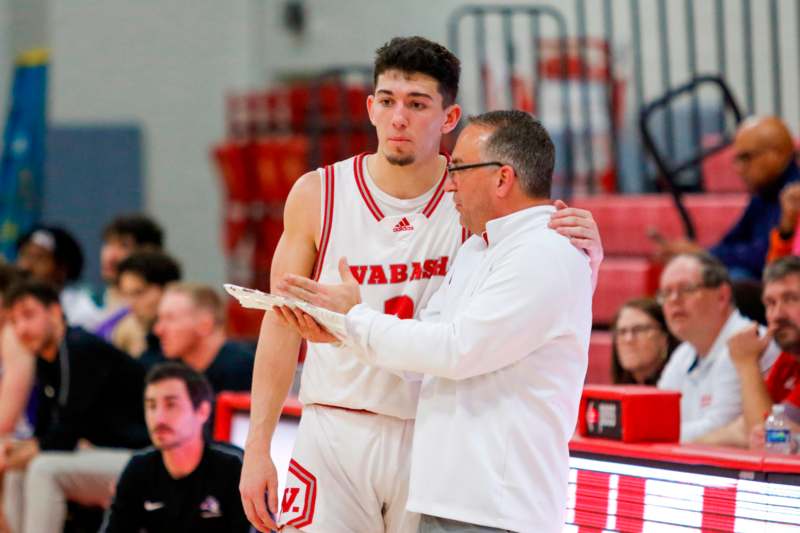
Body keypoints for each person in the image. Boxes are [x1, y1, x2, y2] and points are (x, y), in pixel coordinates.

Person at [238, 36, 604, 533]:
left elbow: (537, 278)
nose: (399, 118)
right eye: (387, 102)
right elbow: (281, 325)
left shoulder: (474, 203)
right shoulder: (318, 194)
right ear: (369, 108)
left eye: (417, 104)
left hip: (430, 439)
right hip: (337, 425)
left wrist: (588, 252)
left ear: (448, 118)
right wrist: (258, 447)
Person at [0, 280, 150, 533]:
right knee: (18, 471)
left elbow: (65, 433)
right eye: (14, 321)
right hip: (107, 454)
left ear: (55, 311)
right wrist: (13, 453)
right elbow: (46, 431)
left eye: (28, 315)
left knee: (42, 468)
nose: (22, 328)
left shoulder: (79, 347)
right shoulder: (48, 359)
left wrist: (12, 455)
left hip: (143, 455)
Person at [100, 362, 252, 532]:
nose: (158, 418)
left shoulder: (232, 469)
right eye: (151, 406)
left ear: (202, 411)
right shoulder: (138, 469)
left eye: (171, 405)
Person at [653, 116, 800, 280]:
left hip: (780, 286)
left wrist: (702, 254)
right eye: (736, 160)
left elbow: (764, 258)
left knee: (734, 279)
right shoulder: (763, 194)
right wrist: (698, 253)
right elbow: (731, 241)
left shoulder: (793, 195)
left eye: (745, 157)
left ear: (776, 154)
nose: (738, 168)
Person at [656, 252, 780, 442]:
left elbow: (720, 431)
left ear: (722, 296)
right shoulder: (683, 353)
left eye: (686, 289)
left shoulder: (749, 342)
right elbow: (655, 415)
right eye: (666, 293)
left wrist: (656, 434)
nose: (673, 299)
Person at [702, 256, 800, 448]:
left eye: (790, 299)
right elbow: (749, 429)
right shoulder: (790, 359)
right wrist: (682, 445)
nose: (777, 314)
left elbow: (767, 444)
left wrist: (747, 364)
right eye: (770, 303)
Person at [146, 282, 254, 393]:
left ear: (205, 324)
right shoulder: (164, 369)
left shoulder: (247, 372)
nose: (157, 330)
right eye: (159, 319)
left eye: (170, 319)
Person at [16, 224, 102, 329]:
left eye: (38, 258)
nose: (25, 267)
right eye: (24, 255)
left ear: (62, 269)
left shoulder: (83, 313)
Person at [95, 213, 165, 340]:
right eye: (108, 243)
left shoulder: (154, 311)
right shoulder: (89, 303)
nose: (110, 256)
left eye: (124, 246)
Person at [115, 250, 182, 358]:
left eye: (139, 292)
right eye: (126, 295)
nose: (131, 304)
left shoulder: (184, 341)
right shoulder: (126, 334)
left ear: (167, 290)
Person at [611, 297, 678, 385]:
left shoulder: (680, 384)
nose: (628, 339)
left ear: (664, 337)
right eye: (622, 331)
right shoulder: (615, 393)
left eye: (639, 329)